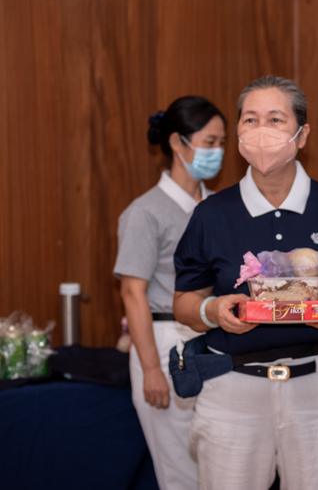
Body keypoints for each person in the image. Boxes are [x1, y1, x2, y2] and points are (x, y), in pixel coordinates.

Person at [172, 75, 318, 490]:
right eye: (249, 120)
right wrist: (213, 311)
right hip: (232, 393)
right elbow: (185, 302)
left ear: (302, 133)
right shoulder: (211, 215)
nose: (261, 131)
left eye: (276, 119)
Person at [113, 95, 226, 490]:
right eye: (209, 142)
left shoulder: (215, 206)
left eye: (221, 143)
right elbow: (132, 293)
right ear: (179, 143)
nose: (219, 152)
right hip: (162, 343)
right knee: (181, 473)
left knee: (217, 468)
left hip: (210, 336)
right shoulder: (146, 212)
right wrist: (150, 370)